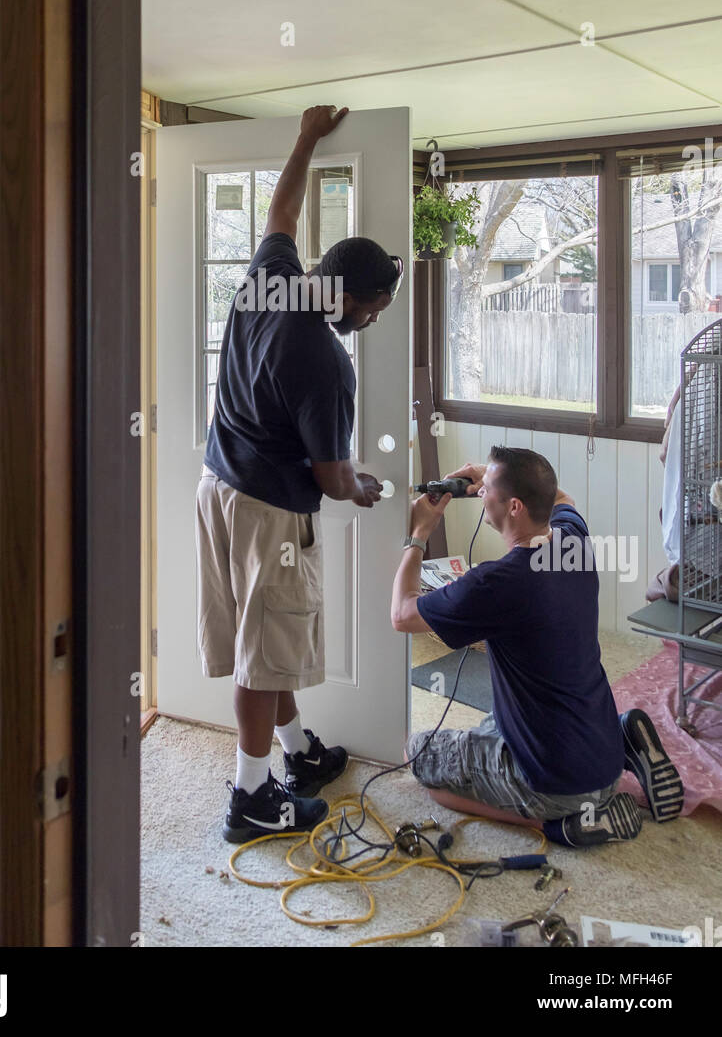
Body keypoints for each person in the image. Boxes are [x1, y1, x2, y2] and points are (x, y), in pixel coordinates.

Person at [196, 104, 404, 843]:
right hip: (268, 512)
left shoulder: (274, 274)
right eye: (374, 311)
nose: (372, 322)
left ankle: (295, 753)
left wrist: (308, 137)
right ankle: (251, 799)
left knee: (266, 641)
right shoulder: (326, 361)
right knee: (267, 652)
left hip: (217, 487)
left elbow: (282, 207)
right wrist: (365, 486)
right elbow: (328, 477)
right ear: (348, 299)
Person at [391, 447, 684, 845]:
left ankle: (560, 825)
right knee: (491, 721)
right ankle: (622, 738)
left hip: (558, 787)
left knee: (419, 759)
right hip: (602, 760)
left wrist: (418, 534)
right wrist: (489, 472)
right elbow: (563, 499)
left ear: (513, 506)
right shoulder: (572, 543)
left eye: (486, 489)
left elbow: (402, 615)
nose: (479, 494)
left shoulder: (495, 584)